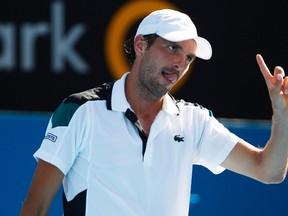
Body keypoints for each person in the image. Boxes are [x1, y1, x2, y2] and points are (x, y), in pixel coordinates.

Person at [19, 8, 288, 216]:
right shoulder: (79, 111)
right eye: (172, 48)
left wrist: (282, 114)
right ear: (140, 45)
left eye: (188, 58)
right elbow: (36, 207)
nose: (180, 64)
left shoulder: (195, 121)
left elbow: (268, 170)